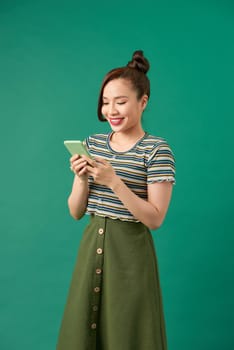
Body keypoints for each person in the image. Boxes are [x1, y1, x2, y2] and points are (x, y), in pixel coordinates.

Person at [56, 50, 176, 350]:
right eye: (106, 102)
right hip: (91, 250)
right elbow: (75, 211)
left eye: (120, 102)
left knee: (127, 335)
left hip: (131, 259)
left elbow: (155, 218)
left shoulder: (157, 150)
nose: (112, 110)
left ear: (143, 102)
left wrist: (114, 182)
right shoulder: (93, 144)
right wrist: (82, 178)